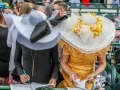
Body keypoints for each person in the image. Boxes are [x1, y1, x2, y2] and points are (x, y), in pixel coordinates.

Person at [57, 13, 115, 89]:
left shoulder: (99, 45)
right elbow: (63, 62)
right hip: (68, 79)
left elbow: (102, 63)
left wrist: (94, 74)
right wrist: (71, 74)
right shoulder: (70, 44)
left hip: (88, 82)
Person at [0, 1, 11, 85]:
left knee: (8, 83)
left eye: (9, 13)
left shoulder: (13, 27)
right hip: (0, 59)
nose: (8, 15)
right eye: (6, 13)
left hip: (10, 59)